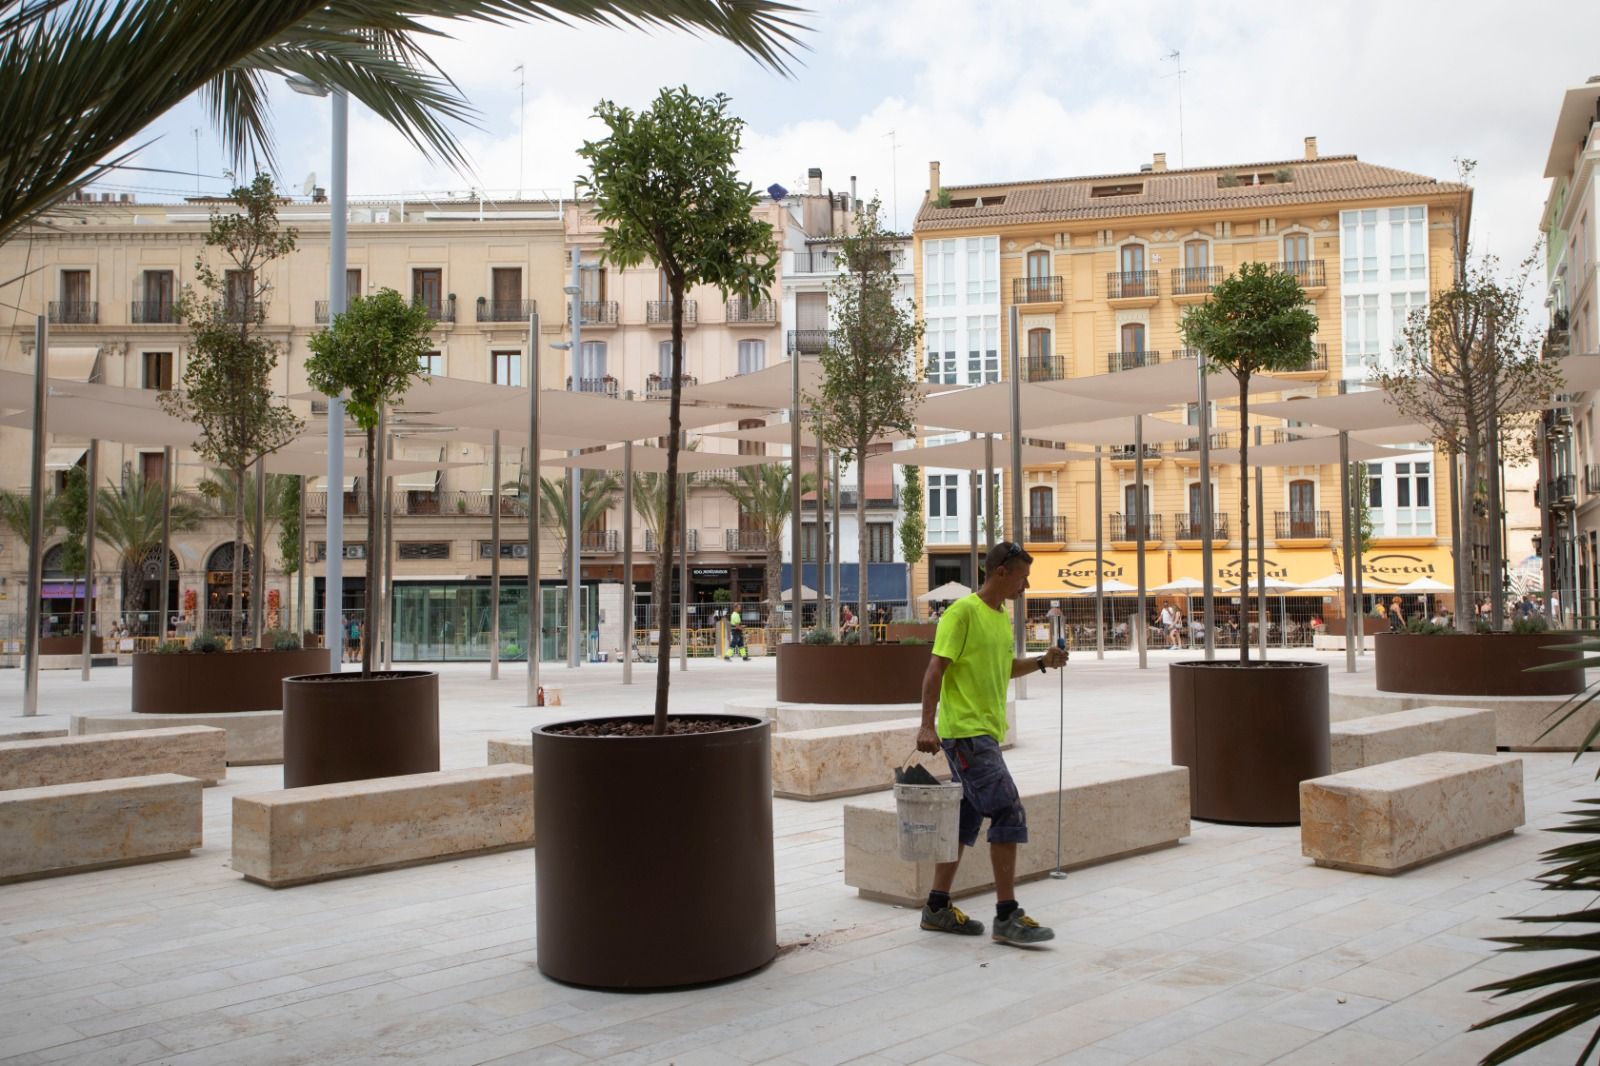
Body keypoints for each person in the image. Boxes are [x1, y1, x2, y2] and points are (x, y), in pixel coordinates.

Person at [916, 541, 1066, 947]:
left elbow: (1003, 668)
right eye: (1022, 576)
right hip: (964, 733)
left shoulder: (1000, 618)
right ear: (1001, 572)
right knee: (1008, 810)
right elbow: (935, 669)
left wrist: (1040, 662)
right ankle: (1006, 915)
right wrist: (927, 725)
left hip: (985, 732)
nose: (1026, 584)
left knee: (965, 820)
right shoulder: (962, 612)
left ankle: (937, 907)